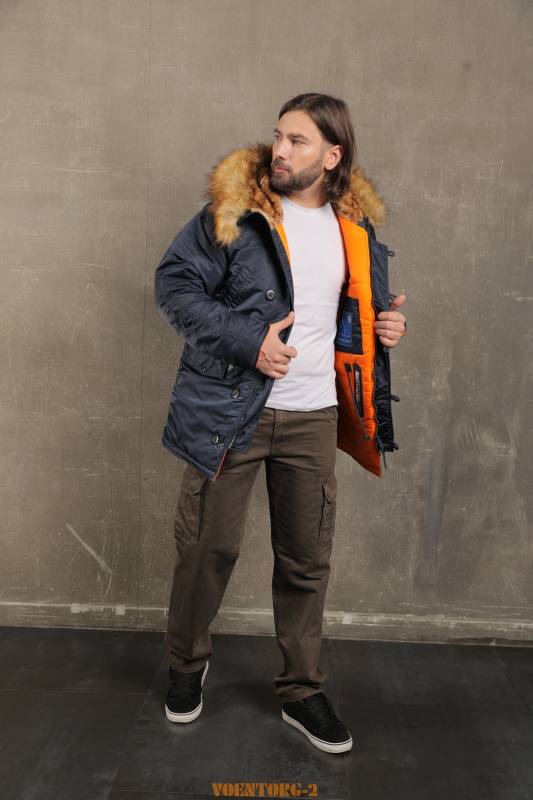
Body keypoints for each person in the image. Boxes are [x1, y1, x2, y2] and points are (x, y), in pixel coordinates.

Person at [154, 92, 406, 754]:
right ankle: (185, 665)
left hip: (315, 415)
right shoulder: (236, 211)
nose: (280, 150)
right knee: (207, 550)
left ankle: (300, 690)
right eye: (278, 135)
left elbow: (348, 316)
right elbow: (173, 286)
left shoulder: (354, 227)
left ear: (333, 155)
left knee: (306, 559)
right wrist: (248, 342)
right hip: (230, 411)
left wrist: (383, 327)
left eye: (297, 140)